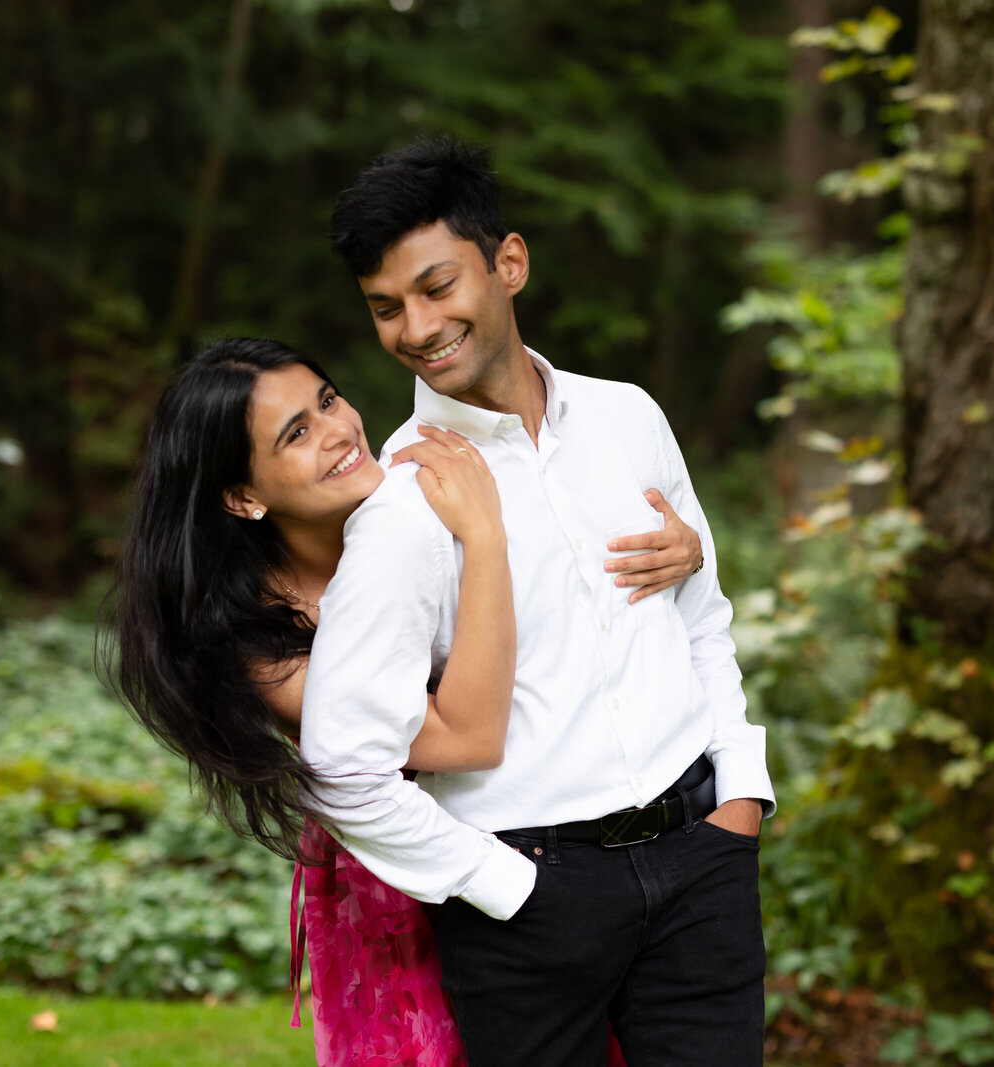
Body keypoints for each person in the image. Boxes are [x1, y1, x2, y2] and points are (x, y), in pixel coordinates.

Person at [300, 137, 775, 1067]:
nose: (416, 326)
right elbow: (341, 764)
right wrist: (499, 884)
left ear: (508, 263)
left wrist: (742, 793)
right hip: (531, 899)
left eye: (438, 287)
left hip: (700, 860)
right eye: (386, 308)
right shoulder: (404, 503)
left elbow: (700, 614)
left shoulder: (629, 415)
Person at [103, 337, 702, 1065]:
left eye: (326, 400)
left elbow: (572, 581)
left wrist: (684, 554)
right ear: (244, 496)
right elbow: (469, 737)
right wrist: (483, 538)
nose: (336, 430)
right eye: (296, 433)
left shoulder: (410, 507)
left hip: (553, 832)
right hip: (413, 876)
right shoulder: (266, 644)